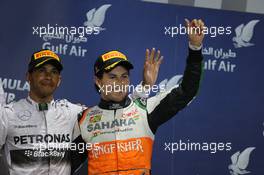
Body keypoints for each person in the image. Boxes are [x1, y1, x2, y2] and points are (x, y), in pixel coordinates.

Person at [78, 18, 205, 175]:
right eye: (112, 77)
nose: (119, 82)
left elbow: (188, 91)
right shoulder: (83, 119)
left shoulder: (144, 110)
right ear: (98, 81)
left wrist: (195, 49)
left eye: (124, 76)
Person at [0, 49, 157, 175]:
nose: (48, 75)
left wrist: (144, 88)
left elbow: (117, 108)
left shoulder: (73, 113)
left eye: (54, 71)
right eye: (42, 70)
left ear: (59, 80)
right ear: (28, 76)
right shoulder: (7, 114)